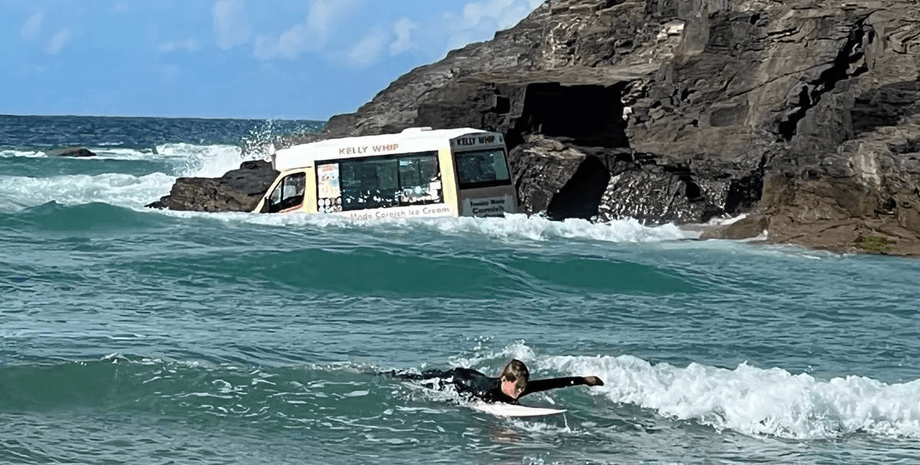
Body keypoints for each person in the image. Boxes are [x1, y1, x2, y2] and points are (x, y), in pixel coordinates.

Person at [397, 359, 604, 404]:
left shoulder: (519, 388)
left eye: (522, 387)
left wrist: (583, 380)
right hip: (457, 379)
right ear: (505, 379)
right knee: (416, 379)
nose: (520, 391)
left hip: (473, 374)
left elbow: (550, 383)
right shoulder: (485, 391)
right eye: (517, 387)